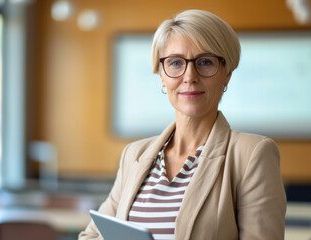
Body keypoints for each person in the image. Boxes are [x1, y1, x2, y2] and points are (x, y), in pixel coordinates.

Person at [79, 9, 286, 240]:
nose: (189, 76)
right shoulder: (135, 155)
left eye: (205, 62)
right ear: (162, 76)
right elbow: (91, 236)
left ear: (226, 73)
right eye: (176, 63)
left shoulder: (251, 155)